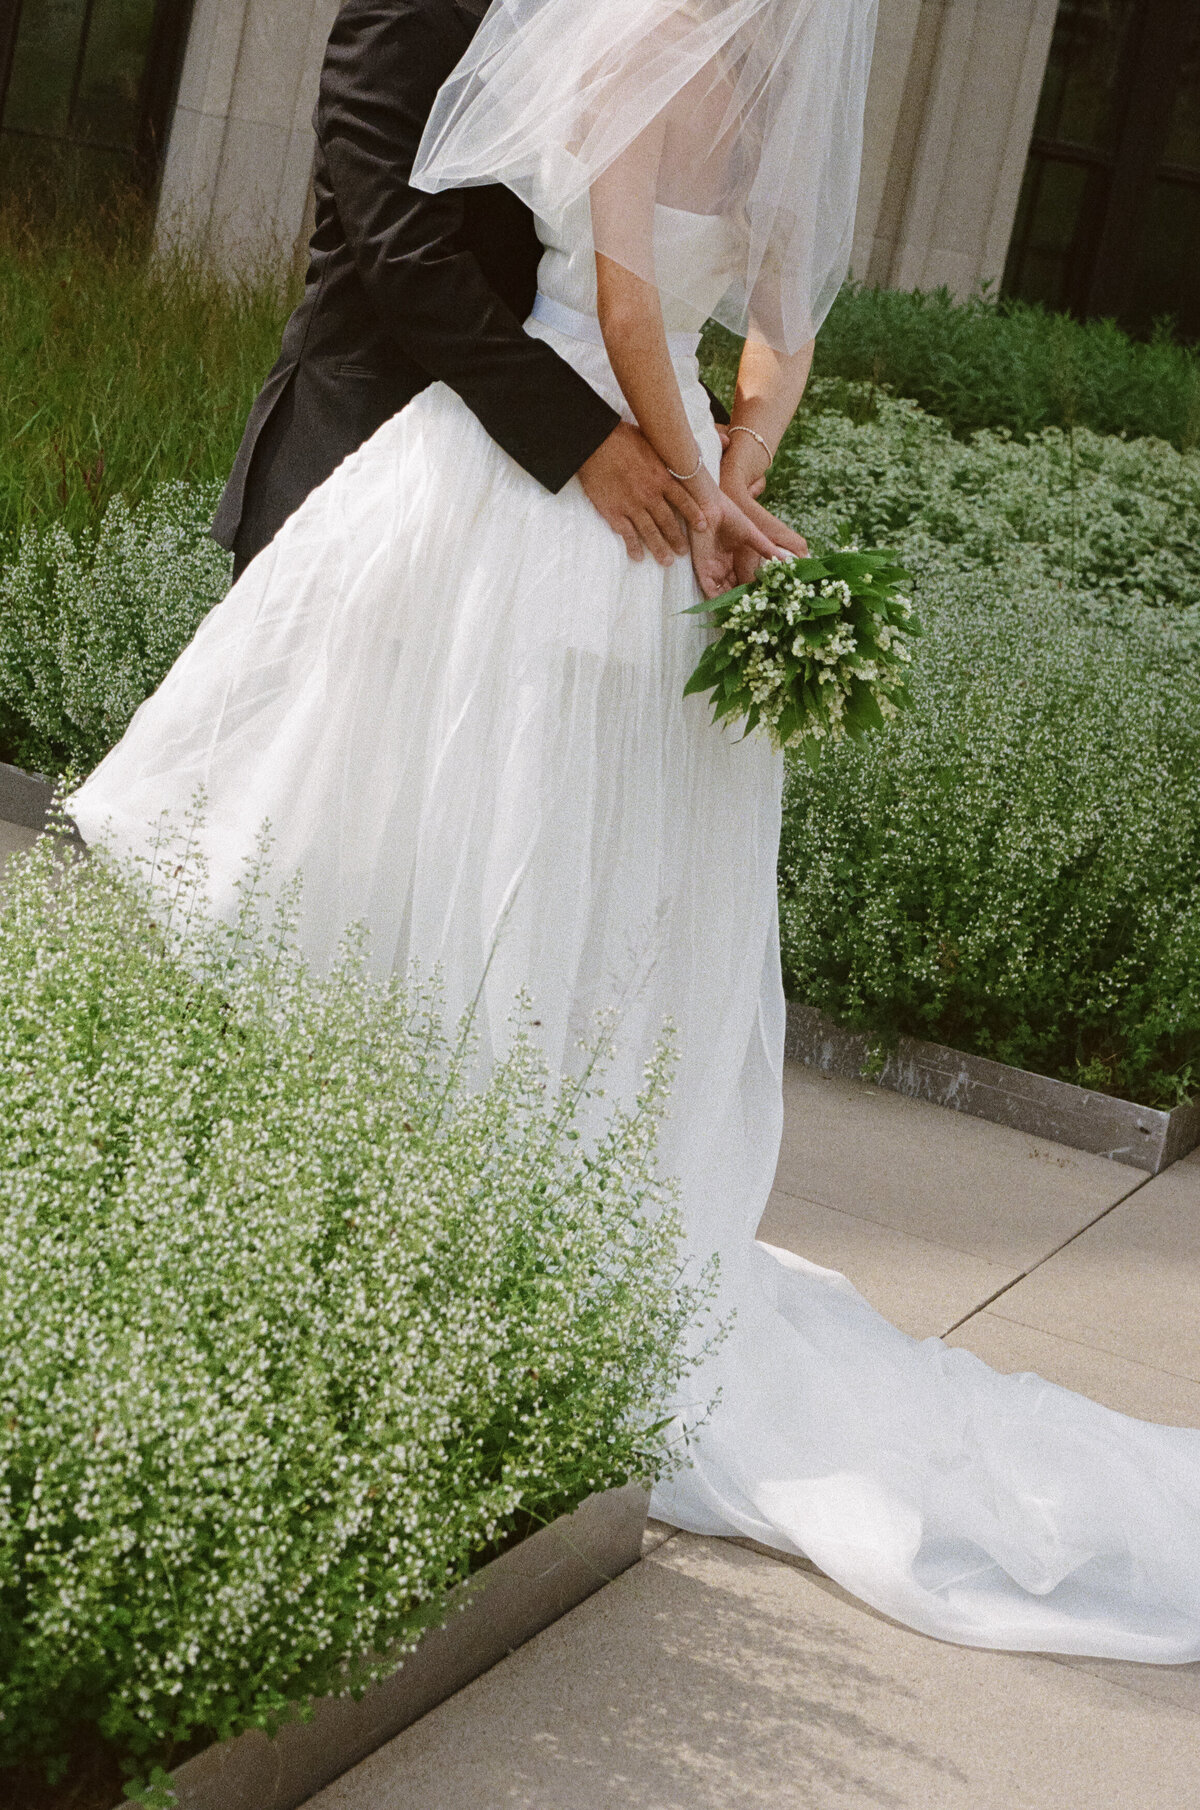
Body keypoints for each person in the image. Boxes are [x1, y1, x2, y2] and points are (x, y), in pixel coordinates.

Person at [69, 0, 1200, 1664]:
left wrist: (670, 473)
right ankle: (354, 1189)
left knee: (464, 853)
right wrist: (729, 477)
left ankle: (440, 1212)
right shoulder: (741, 75)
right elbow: (405, 237)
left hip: (538, 503)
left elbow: (612, 293)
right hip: (527, 474)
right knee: (445, 854)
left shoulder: (621, 45)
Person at [211, 0, 802, 581]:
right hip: (368, 451)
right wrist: (590, 438)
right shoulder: (405, 15)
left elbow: (610, 275)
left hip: (558, 485)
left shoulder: (622, 26)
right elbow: (409, 263)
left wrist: (692, 434)